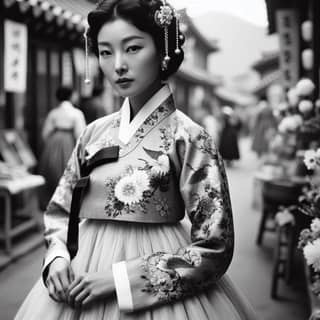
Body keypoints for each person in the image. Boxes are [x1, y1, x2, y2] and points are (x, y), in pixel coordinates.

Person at [15, 1, 256, 319]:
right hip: (80, 275)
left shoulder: (189, 137)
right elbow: (60, 209)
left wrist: (119, 280)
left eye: (132, 48)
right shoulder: (92, 133)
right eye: (105, 52)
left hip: (151, 286)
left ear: (162, 48)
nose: (118, 65)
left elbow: (214, 246)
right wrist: (58, 257)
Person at [38, 86, 86, 210]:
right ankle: (67, 204)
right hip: (69, 142)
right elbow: (80, 134)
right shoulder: (76, 113)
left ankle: (50, 202)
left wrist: (50, 146)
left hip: (53, 142)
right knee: (69, 172)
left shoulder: (54, 112)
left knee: (50, 172)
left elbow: (45, 133)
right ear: (70, 96)